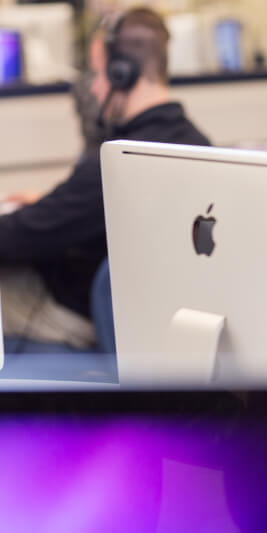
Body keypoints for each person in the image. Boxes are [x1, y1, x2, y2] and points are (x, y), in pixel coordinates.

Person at [0, 7, 210, 350]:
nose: (95, 89)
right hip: (144, 317)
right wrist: (48, 205)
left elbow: (23, 235)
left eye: (98, 74)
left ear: (122, 73)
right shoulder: (196, 143)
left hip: (74, 313)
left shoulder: (120, 159)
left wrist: (35, 213)